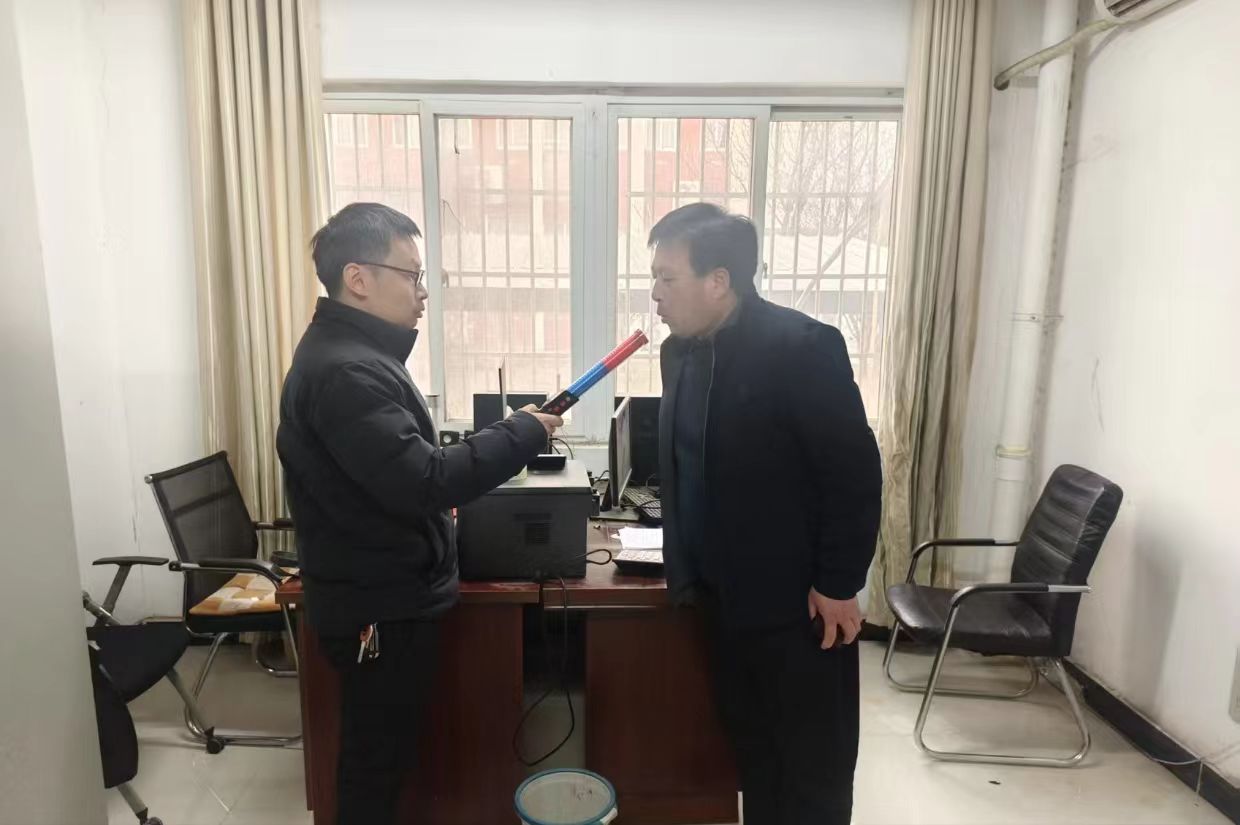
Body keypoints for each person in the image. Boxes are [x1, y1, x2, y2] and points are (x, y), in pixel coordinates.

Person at [276, 202, 562, 825]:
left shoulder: (354, 355)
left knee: (388, 753)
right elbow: (424, 479)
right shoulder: (347, 371)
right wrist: (522, 432)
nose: (423, 292)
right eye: (411, 275)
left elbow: (399, 472)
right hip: (377, 606)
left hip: (383, 591)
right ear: (358, 278)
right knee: (375, 764)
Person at [650, 203, 882, 825]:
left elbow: (853, 473)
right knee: (754, 757)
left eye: (668, 278)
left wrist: (839, 582)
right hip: (719, 600)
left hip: (796, 609)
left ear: (718, 280)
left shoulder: (801, 347)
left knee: (812, 767)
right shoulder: (679, 354)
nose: (656, 295)